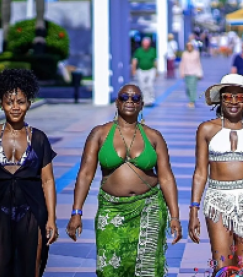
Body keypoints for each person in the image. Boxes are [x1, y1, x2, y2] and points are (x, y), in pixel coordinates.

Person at [65, 84, 182, 276]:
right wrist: (76, 211)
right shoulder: (100, 133)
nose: (130, 101)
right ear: (116, 102)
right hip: (112, 209)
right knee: (109, 268)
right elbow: (86, 173)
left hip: (149, 206)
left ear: (142, 104)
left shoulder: (154, 136)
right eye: (124, 97)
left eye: (135, 98)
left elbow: (166, 177)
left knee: (147, 269)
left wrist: (175, 216)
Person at [0, 69, 58, 276]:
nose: (15, 107)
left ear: (29, 104)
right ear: (1, 104)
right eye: (10, 102)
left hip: (32, 212)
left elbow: (48, 180)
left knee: (30, 267)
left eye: (21, 102)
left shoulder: (39, 139)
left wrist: (51, 218)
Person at [188, 74, 243, 271]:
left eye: (240, 97)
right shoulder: (206, 129)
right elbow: (200, 172)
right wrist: (194, 209)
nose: (234, 102)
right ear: (220, 99)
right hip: (218, 199)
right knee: (223, 266)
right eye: (228, 97)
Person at [132, 37, 158, 107]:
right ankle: (145, 100)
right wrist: (133, 70)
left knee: (150, 85)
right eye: (144, 44)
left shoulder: (153, 50)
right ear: (142, 44)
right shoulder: (139, 51)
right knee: (142, 86)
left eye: (147, 44)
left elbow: (155, 61)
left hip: (151, 70)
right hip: (141, 70)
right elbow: (135, 61)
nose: (146, 45)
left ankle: (151, 99)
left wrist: (156, 71)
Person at [179, 41, 204, 108]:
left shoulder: (196, 53)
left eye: (190, 46)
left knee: (192, 87)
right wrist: (182, 72)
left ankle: (192, 101)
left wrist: (200, 73)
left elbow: (198, 63)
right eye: (188, 46)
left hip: (194, 73)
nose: (189, 47)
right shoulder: (184, 54)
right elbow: (182, 63)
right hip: (186, 73)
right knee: (187, 88)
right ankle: (191, 99)